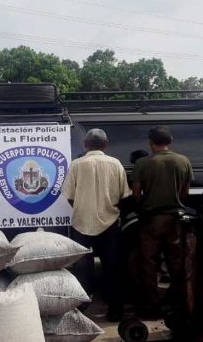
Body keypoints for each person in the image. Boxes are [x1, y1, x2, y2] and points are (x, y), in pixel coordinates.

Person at [62, 128, 130, 321]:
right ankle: (115, 309)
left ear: (85, 144)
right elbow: (124, 195)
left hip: (82, 222)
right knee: (112, 266)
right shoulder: (116, 164)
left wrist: (83, 207)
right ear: (106, 144)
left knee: (83, 267)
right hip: (109, 223)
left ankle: (81, 309)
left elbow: (70, 197)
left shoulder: (76, 165)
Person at [131, 126, 194, 319]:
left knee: (148, 263)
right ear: (171, 140)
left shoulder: (143, 163)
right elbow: (186, 191)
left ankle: (152, 306)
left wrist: (142, 206)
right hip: (175, 219)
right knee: (176, 263)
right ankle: (179, 304)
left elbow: (136, 193)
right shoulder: (183, 161)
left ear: (151, 142)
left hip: (151, 220)